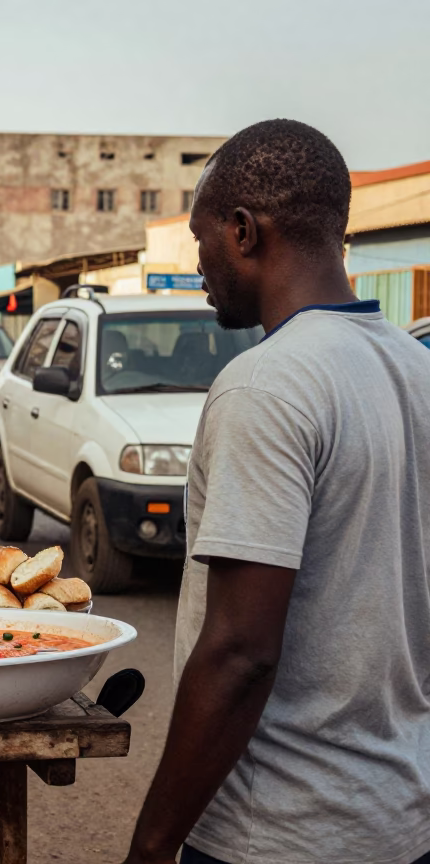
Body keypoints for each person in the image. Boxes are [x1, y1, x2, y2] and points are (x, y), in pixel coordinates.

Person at [122, 120, 430, 864]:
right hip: (402, 820)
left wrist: (153, 844)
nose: (199, 265)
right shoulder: (413, 369)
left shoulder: (267, 384)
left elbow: (239, 652)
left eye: (201, 241)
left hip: (282, 833)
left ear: (242, 231)